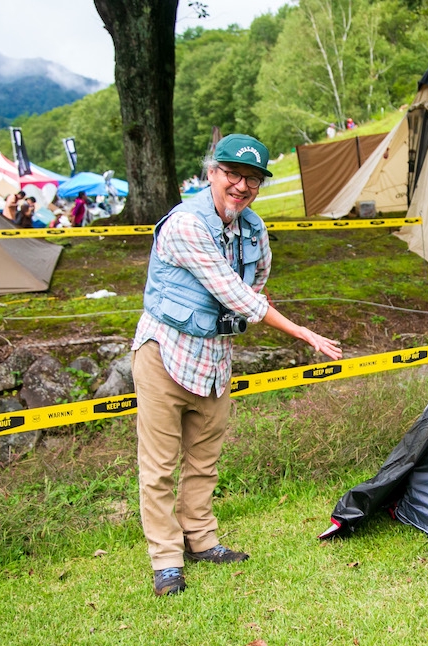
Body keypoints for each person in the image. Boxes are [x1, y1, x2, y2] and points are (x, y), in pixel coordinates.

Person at [131, 133, 343, 597]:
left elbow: (258, 278)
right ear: (211, 173)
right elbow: (239, 295)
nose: (242, 186)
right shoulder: (186, 225)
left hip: (215, 357)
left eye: (252, 179)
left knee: (204, 460)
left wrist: (247, 306)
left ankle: (201, 542)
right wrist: (303, 332)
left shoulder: (255, 230)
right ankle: (166, 562)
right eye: (232, 174)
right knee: (160, 467)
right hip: (166, 353)